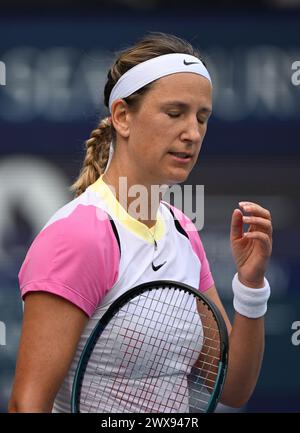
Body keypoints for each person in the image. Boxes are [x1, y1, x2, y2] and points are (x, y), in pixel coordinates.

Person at [8, 32, 273, 413]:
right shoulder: (80, 234)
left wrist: (250, 286)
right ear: (122, 117)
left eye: (202, 118)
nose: (193, 133)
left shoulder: (183, 230)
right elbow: (26, 404)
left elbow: (231, 387)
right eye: (174, 112)